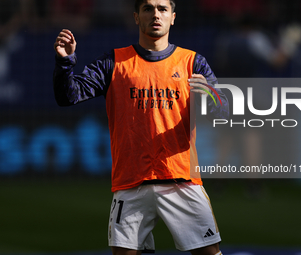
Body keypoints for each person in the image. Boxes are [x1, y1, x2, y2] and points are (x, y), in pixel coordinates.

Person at [53, 0, 229, 254]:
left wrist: (211, 96)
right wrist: (65, 63)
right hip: (131, 183)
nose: (155, 15)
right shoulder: (113, 62)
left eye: (162, 9)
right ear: (136, 17)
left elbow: (223, 113)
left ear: (173, 17)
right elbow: (67, 97)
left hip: (180, 180)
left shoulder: (193, 63)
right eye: (148, 9)